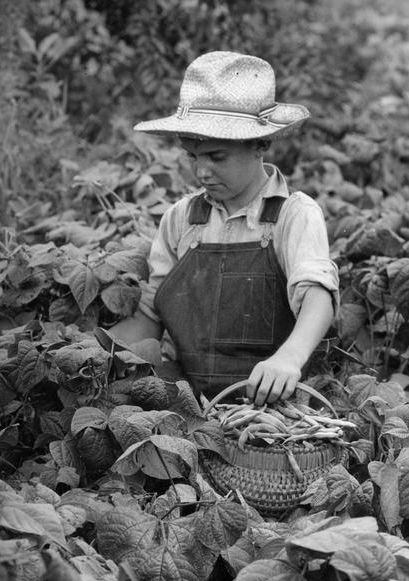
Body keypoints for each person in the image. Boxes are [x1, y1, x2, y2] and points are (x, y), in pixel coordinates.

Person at [109, 51, 340, 405]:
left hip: (269, 405)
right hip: (187, 400)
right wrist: (98, 353)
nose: (202, 172)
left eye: (217, 157)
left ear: (260, 144)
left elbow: (317, 297)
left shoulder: (293, 214)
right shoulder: (182, 218)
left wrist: (289, 358)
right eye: (193, 156)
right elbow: (152, 312)